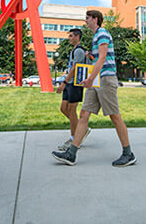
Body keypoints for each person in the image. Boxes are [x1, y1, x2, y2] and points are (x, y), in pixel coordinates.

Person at [52, 10, 136, 167]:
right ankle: (71, 154)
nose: (85, 21)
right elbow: (99, 57)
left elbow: (103, 57)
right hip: (96, 80)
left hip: (105, 79)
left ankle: (128, 153)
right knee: (83, 114)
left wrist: (90, 78)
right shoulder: (96, 36)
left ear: (95, 19)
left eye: (87, 18)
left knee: (114, 116)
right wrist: (91, 56)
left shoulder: (102, 33)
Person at [55, 28, 92, 151]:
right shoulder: (74, 51)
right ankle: (82, 130)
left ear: (77, 37)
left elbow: (75, 69)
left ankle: (73, 139)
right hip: (69, 83)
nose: (69, 38)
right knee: (63, 108)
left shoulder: (79, 51)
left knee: (71, 111)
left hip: (75, 84)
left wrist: (64, 83)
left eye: (71, 36)